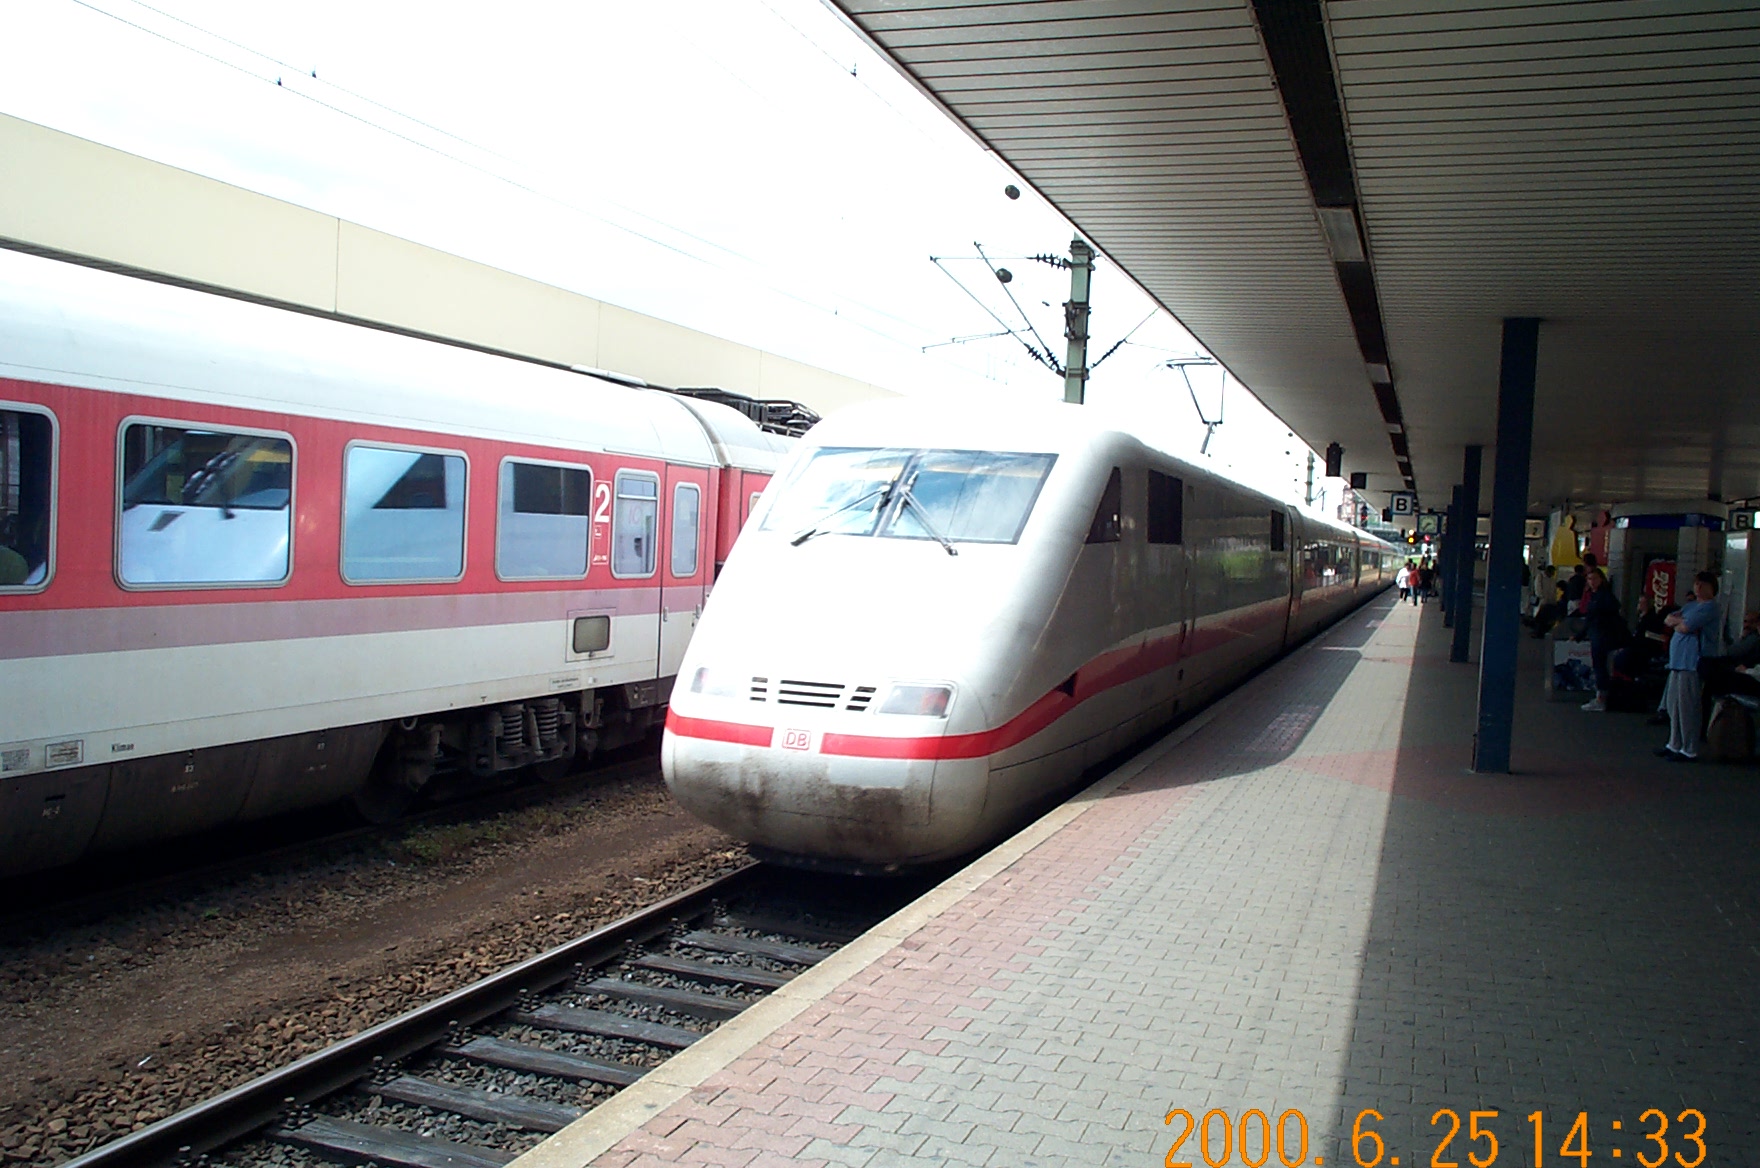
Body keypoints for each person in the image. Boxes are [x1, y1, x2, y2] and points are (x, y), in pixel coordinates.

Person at [1657, 571, 1722, 762]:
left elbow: (1685, 627)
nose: (1698, 587)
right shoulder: (1691, 606)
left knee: (1688, 707)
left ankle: (1689, 748)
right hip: (1677, 661)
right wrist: (1680, 622)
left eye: (1703, 584)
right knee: (1674, 705)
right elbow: (1669, 619)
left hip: (1692, 662)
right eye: (1696, 584)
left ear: (1712, 587)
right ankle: (1674, 743)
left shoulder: (1710, 608)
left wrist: (1680, 623)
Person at [1578, 567, 1625, 711]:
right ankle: (1601, 696)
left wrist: (1581, 634)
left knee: (1600, 666)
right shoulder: (1598, 595)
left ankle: (1601, 698)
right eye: (1589, 579)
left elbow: (1593, 616)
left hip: (1601, 634)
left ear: (1601, 580)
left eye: (1595, 579)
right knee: (1600, 666)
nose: (1592, 582)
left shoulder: (1602, 596)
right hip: (1599, 633)